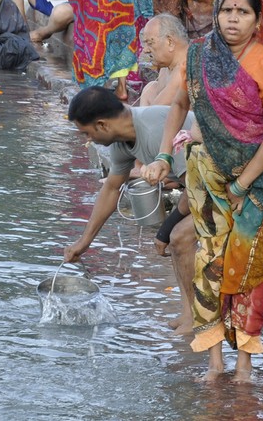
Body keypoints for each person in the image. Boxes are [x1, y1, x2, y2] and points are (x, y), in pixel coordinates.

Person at [143, 0, 263, 383]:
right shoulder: (198, 56)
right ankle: (215, 362)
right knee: (209, 261)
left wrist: (242, 184)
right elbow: (180, 104)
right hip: (208, 174)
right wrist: (163, 155)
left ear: (256, 19)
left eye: (242, 12)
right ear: (217, 14)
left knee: (247, 268)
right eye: (227, 11)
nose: (233, 19)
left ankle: (244, 364)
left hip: (260, 181)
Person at [64, 86, 199, 334]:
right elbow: (112, 189)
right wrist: (84, 242)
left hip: (231, 184)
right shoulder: (122, 141)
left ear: (102, 125)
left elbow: (197, 189)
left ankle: (197, 319)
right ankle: (189, 312)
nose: (88, 140)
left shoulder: (152, 128)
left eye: (87, 133)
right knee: (175, 237)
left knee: (179, 237)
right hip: (200, 187)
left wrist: (167, 228)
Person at [138, 14, 189, 107]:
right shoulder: (166, 66)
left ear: (170, 42)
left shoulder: (185, 67)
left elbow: (155, 111)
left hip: (190, 120)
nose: (145, 50)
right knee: (150, 88)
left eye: (150, 43)